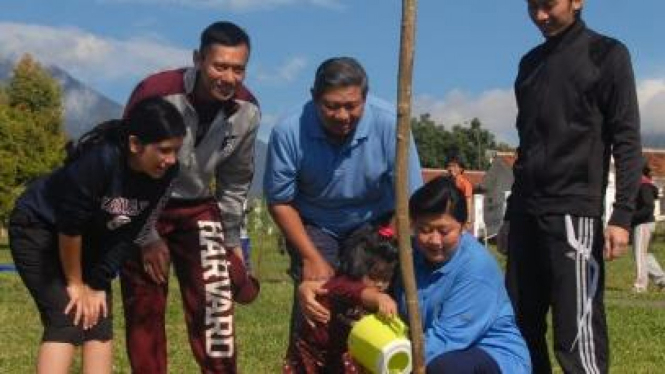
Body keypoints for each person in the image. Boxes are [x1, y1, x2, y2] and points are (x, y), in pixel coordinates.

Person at [498, 1, 643, 372]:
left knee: (576, 331)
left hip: (573, 213)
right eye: (532, 7)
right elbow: (526, 147)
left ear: (577, 1)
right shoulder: (528, 65)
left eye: (548, 5)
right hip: (527, 213)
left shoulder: (607, 54)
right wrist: (511, 217)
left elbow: (626, 139)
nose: (540, 16)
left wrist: (622, 214)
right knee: (518, 325)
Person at [119, 21, 260, 374]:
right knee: (145, 307)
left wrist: (230, 245)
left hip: (198, 207)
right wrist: (146, 237)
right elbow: (125, 167)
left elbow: (235, 182)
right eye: (219, 66)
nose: (228, 77)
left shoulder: (247, 110)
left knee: (215, 307)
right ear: (198, 59)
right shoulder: (155, 92)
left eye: (238, 68)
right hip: (145, 204)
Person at [8, 97, 186, 374]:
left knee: (98, 320)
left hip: (92, 237)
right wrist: (76, 283)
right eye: (164, 150)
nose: (171, 160)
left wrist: (97, 282)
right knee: (66, 317)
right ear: (135, 144)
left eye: (176, 150)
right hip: (37, 227)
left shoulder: (167, 173)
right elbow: (70, 226)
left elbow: (128, 232)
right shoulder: (100, 161)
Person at [263, 56, 422, 346]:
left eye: (351, 106)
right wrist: (311, 257)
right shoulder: (288, 131)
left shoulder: (391, 124)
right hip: (315, 222)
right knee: (318, 298)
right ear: (314, 98)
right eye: (331, 106)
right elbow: (279, 200)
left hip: (376, 221)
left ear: (365, 96)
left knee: (375, 299)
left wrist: (386, 252)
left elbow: (410, 199)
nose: (342, 116)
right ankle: (310, 359)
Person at [399, 176, 531, 374]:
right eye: (424, 230)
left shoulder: (476, 267)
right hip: (435, 348)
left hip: (491, 355)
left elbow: (447, 338)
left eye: (444, 231)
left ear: (463, 226)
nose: (434, 240)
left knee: (443, 369)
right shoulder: (409, 256)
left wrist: (393, 361)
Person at [283, 224, 399, 374]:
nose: (380, 284)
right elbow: (356, 292)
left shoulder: (384, 295)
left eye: (386, 279)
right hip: (313, 353)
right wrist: (377, 297)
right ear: (358, 268)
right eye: (374, 277)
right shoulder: (340, 284)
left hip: (344, 354)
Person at [631, 160, 665, 292]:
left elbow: (648, 207)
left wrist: (631, 218)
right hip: (644, 223)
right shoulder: (644, 184)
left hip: (643, 224)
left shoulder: (644, 185)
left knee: (640, 254)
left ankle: (640, 285)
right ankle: (662, 280)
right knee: (645, 254)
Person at [446, 156, 474, 232]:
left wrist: (468, 220)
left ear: (461, 169)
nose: (451, 169)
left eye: (454, 166)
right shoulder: (445, 182)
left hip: (460, 218)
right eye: (449, 166)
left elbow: (468, 201)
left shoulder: (465, 184)